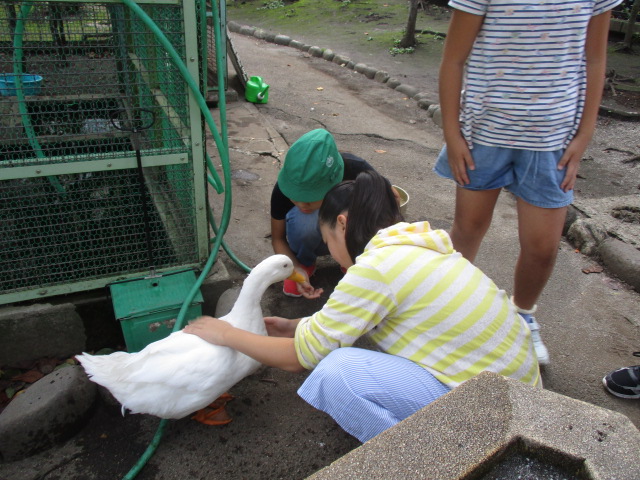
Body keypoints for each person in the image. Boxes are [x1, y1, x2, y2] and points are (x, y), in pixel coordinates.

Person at [184, 170, 540, 443]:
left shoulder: (375, 267)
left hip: (497, 417)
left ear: (342, 224)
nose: (332, 252)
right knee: (337, 355)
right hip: (520, 399)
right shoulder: (413, 246)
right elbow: (341, 324)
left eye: (327, 242)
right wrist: (292, 327)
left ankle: (427, 460)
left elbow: (300, 359)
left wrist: (226, 333)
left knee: (337, 373)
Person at [434, 0, 621, 366]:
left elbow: (595, 60)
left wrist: (584, 136)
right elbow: (453, 59)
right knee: (468, 229)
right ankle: (448, 313)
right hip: (483, 135)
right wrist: (452, 134)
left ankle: (521, 316)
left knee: (542, 248)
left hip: (554, 143)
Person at [270, 128, 373, 298]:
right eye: (295, 197)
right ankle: (305, 260)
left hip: (350, 235)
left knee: (362, 211)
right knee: (303, 218)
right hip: (316, 236)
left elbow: (386, 207)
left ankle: (354, 261)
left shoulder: (357, 170)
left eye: (310, 197)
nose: (302, 203)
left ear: (334, 181)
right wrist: (295, 270)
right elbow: (278, 238)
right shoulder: (282, 190)